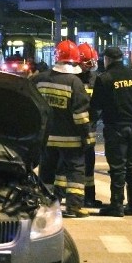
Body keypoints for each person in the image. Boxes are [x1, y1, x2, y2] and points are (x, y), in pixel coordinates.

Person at [31, 40, 90, 218]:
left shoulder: (39, 79)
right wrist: (85, 135)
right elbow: (80, 115)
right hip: (70, 139)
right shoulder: (75, 82)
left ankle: (45, 204)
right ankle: (74, 207)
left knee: (47, 172)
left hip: (46, 138)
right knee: (75, 172)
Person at [90, 47, 132, 217]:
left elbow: (96, 106)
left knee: (117, 167)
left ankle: (116, 204)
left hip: (116, 127)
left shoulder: (105, 78)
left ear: (107, 59)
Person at [77, 43, 101, 207]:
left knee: (88, 166)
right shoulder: (73, 79)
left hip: (89, 130)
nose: (90, 67)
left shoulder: (96, 79)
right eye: (87, 63)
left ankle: (89, 197)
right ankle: (75, 199)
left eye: (92, 63)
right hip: (75, 130)